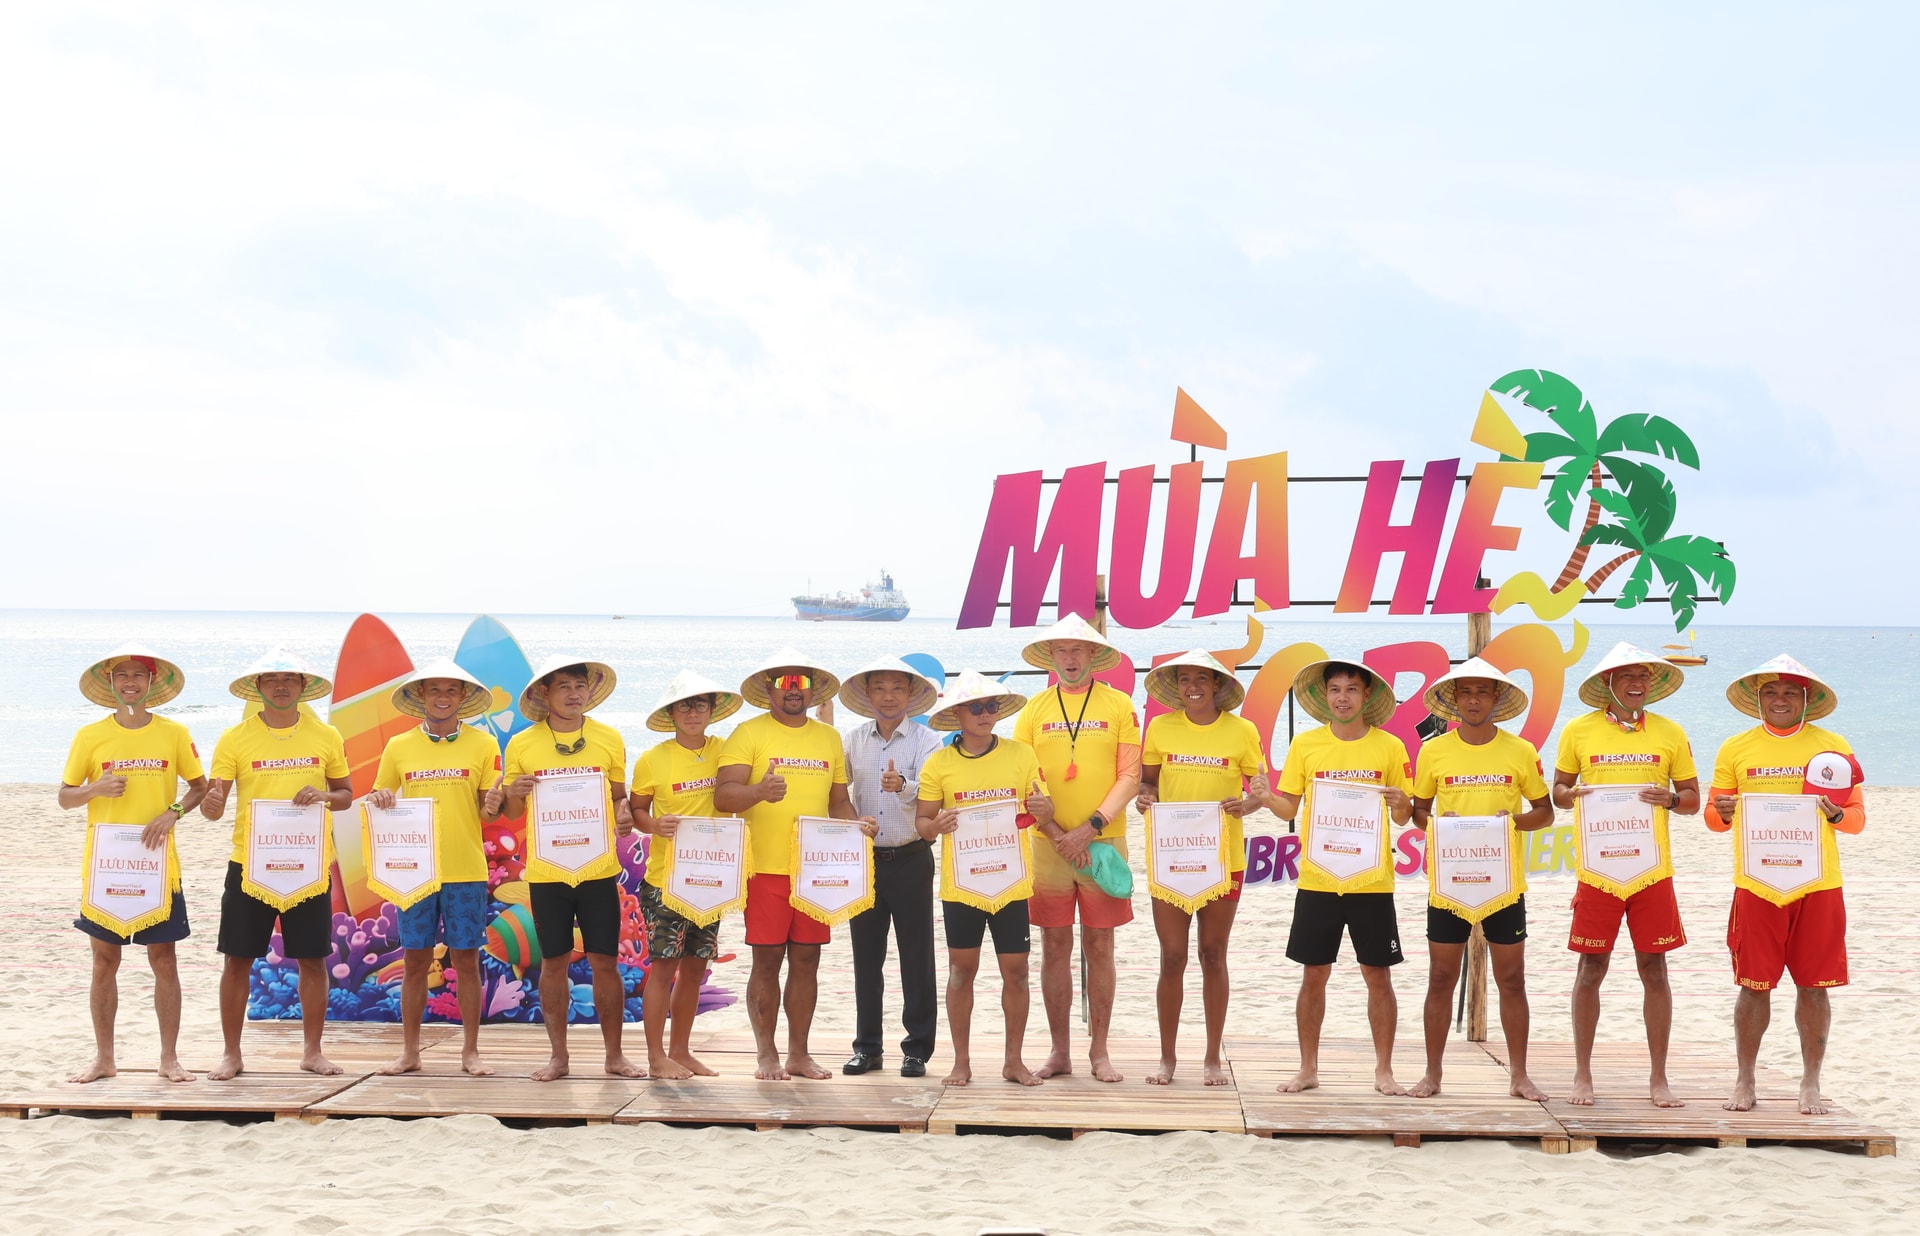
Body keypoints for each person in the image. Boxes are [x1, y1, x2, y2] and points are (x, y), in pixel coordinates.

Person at [1706, 655, 1866, 1115]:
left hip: (1819, 884)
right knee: (1753, 985)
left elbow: (1856, 819)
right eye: (1771, 692)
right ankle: (1745, 1080)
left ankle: (1810, 1083)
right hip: (1757, 883)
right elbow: (1714, 817)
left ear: (1806, 699)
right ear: (1757, 699)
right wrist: (1723, 812)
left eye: (1790, 692)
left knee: (1815, 987)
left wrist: (1836, 814)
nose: (1780, 700)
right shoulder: (1736, 747)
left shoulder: (1832, 747)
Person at [715, 649, 878, 1081]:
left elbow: (838, 801)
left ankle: (799, 1055)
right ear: (768, 689)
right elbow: (724, 796)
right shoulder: (748, 733)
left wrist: (857, 826)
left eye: (801, 683)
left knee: (808, 959)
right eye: (784, 682)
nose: (793, 690)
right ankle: (766, 1054)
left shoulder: (827, 738)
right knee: (767, 960)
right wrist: (758, 792)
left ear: (812, 690)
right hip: (765, 869)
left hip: (816, 871)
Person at [1552, 641, 1699, 1108]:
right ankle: (1582, 1074)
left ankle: (1659, 1078)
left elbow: (1693, 800)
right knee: (1590, 969)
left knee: (1654, 969)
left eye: (1643, 676)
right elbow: (1558, 792)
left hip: (1651, 870)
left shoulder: (1670, 732)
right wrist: (1571, 794)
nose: (1637, 683)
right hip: (1598, 870)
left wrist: (1670, 800)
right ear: (1608, 682)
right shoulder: (1578, 730)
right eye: (1627, 675)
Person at [201, 649, 352, 1080]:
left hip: (308, 865)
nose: (280, 686)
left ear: (303, 686)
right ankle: (232, 1054)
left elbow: (345, 795)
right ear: (258, 687)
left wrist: (324, 796)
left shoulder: (326, 736)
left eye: (289, 679)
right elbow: (214, 807)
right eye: (271, 679)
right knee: (237, 960)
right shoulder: (235, 738)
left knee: (313, 960)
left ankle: (312, 1052)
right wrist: (212, 804)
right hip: (250, 865)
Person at [1407, 658, 1554, 1101]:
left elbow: (1545, 813)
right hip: (1449, 882)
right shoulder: (1433, 751)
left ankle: (1520, 1076)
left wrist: (1513, 822)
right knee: (1440, 977)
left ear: (1496, 698)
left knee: (1512, 979)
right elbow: (1419, 812)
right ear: (1454, 700)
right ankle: (1432, 1075)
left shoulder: (1520, 751)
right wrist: (1439, 823)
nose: (1473, 700)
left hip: (1503, 884)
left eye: (1482, 692)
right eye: (1465, 692)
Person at [59, 645, 208, 1084]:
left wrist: (173, 812)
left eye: (138, 675)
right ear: (110, 683)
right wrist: (94, 789)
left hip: (157, 863)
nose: (130, 682)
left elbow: (199, 787)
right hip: (106, 864)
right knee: (104, 963)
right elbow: (65, 796)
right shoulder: (90, 735)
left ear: (151, 682)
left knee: (164, 960)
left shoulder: (174, 733)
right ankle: (104, 1059)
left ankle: (169, 1059)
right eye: (121, 675)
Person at [1270, 659, 1413, 1095]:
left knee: (1378, 975)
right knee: (1314, 974)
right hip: (1318, 878)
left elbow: (1404, 817)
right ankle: (1307, 1069)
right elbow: (1288, 807)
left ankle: (1384, 1071)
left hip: (1372, 881)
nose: (1343, 697)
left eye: (1351, 689)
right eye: (1335, 689)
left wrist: (1400, 802)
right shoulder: (1306, 744)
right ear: (1324, 696)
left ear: (1367, 695)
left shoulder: (1389, 746)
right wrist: (1264, 797)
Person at [500, 655, 643, 1082]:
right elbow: (512, 810)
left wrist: (624, 814)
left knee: (605, 962)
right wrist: (514, 791)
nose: (574, 694)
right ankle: (558, 1058)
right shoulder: (522, 744)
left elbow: (619, 797)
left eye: (580, 686)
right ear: (545, 694)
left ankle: (614, 1057)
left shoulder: (608, 737)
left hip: (597, 868)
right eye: (564, 686)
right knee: (554, 963)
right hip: (548, 872)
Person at [1012, 615, 1141, 1083]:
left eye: (1078, 650)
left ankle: (1099, 1051)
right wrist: (1057, 834)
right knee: (1053, 944)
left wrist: (1090, 828)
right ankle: (1060, 1050)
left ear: (1093, 655)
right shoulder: (1033, 709)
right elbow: (1025, 781)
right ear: (1050, 657)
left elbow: (1130, 775)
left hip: (1103, 842)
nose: (1069, 658)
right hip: (1047, 845)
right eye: (1061, 650)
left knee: (1100, 944)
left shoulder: (1119, 703)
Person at [1135, 650, 1267, 1087]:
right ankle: (1167, 1058)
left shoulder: (1242, 731)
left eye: (1202, 679)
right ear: (1176, 687)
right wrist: (1146, 798)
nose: (1193, 687)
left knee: (1213, 954)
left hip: (1223, 859)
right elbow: (1148, 782)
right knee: (1172, 956)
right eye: (1184, 679)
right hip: (1171, 856)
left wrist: (1247, 804)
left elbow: (1258, 790)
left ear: (1217, 685)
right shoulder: (1160, 727)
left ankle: (1212, 1057)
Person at [366, 658, 500, 1078]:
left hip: (466, 869)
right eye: (435, 690)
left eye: (451, 690)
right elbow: (378, 798)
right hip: (415, 872)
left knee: (466, 961)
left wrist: (494, 804)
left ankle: (471, 1052)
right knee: (415, 962)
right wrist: (380, 799)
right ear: (421, 695)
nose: (443, 697)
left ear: (463, 697)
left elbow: (487, 811)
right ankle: (409, 1052)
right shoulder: (398, 745)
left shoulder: (484, 744)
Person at [916, 671, 1050, 1088]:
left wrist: (1043, 809)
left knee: (1017, 972)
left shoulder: (1021, 755)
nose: (984, 714)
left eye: (991, 706)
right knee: (961, 971)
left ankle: (1014, 1062)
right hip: (963, 886)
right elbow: (922, 823)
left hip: (1011, 882)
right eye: (975, 707)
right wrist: (936, 825)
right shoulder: (939, 763)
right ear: (957, 714)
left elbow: (1042, 810)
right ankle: (961, 1063)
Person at [628, 669, 743, 1079]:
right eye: (684, 707)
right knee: (663, 968)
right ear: (671, 713)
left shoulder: (726, 752)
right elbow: (637, 809)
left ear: (712, 711)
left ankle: (681, 1051)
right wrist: (653, 825)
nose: (693, 713)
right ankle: (656, 1057)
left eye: (700, 705)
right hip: (666, 880)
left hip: (712, 880)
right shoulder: (652, 759)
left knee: (696, 968)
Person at [837, 656, 946, 1078]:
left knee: (916, 955)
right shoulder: (852, 741)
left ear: (910, 694)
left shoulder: (926, 741)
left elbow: (934, 797)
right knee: (866, 957)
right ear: (867, 694)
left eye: (897, 688)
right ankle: (867, 1048)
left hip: (911, 856)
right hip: (865, 860)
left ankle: (917, 1049)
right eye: (879, 688)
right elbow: (835, 793)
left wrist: (903, 786)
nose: (888, 696)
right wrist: (852, 823)